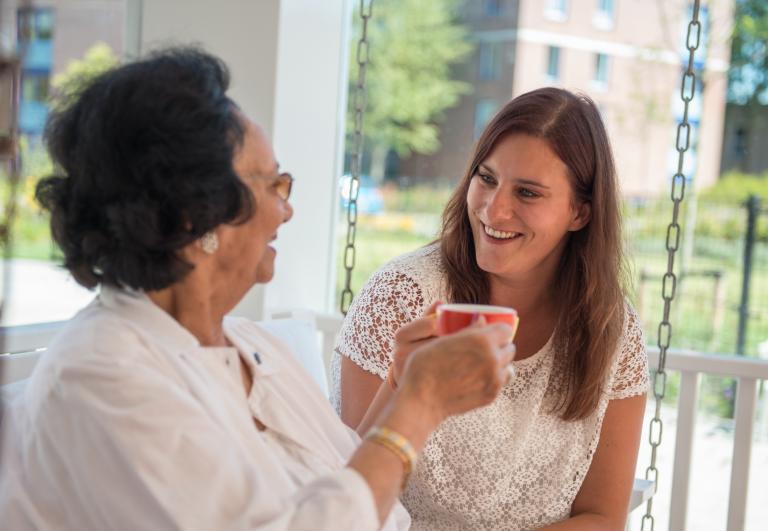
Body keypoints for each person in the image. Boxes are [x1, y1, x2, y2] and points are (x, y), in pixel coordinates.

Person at [0, 48, 518, 531]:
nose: (286, 209)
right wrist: (420, 406)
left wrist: (403, 387)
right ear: (193, 215)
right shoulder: (100, 376)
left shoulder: (254, 347)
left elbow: (348, 494)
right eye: (273, 185)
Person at [333, 87, 649, 530]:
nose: (494, 209)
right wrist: (401, 382)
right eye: (486, 178)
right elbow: (345, 503)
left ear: (580, 212)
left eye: (528, 193)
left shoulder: (611, 329)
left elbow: (602, 517)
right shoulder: (401, 296)